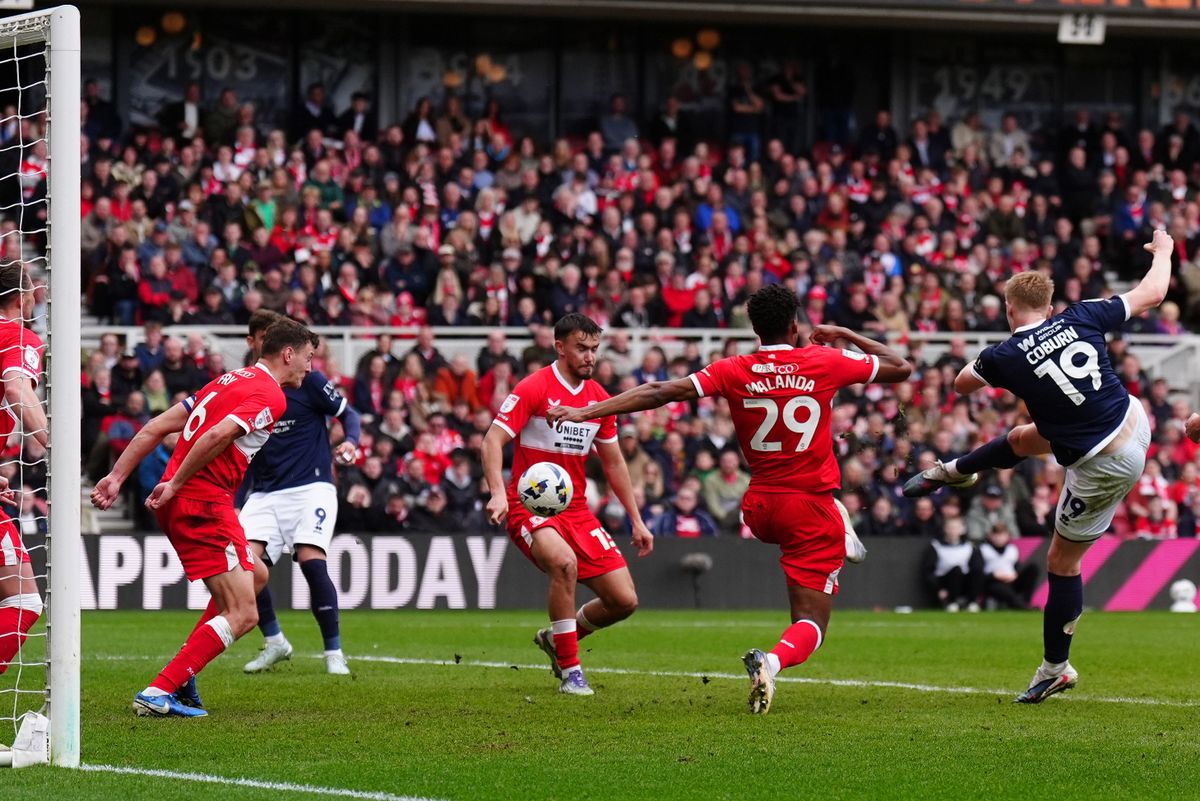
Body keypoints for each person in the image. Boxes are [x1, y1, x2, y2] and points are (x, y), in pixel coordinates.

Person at [548, 284, 911, 714]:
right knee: (811, 622)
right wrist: (846, 334)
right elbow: (900, 367)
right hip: (808, 508)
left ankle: (840, 523)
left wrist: (586, 411)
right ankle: (771, 662)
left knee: (823, 510)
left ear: (755, 330)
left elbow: (660, 391)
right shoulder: (824, 359)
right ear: (795, 326)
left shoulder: (734, 368)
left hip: (758, 507)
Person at [904, 230, 1171, 703]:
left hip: (1103, 463)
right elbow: (1153, 292)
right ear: (1049, 306)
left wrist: (994, 360)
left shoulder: (1002, 356)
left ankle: (1055, 668)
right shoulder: (1082, 314)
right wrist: (1164, 250)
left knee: (1061, 562)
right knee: (1025, 438)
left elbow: (962, 385)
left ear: (1009, 309)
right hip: (1132, 420)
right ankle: (955, 470)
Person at [90, 318, 318, 717]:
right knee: (244, 614)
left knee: (257, 574)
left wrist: (116, 476)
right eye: (308, 357)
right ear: (288, 354)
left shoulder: (227, 381)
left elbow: (156, 426)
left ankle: (183, 675)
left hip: (186, 499)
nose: (310, 367)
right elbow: (217, 436)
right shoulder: (271, 395)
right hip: (202, 501)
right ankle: (160, 691)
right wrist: (177, 482)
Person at [482, 313, 654, 697]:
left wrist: (637, 520)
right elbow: (492, 440)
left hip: (576, 510)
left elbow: (614, 463)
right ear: (560, 347)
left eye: (594, 349)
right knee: (564, 564)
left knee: (624, 600)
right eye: (582, 348)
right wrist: (497, 492)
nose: (590, 356)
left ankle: (556, 639)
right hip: (529, 506)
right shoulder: (534, 387)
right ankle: (571, 673)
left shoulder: (600, 399)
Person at [237, 311, 362, 676]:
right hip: (264, 492)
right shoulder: (247, 384)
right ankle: (275, 641)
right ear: (254, 341)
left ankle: (333, 652)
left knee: (310, 559)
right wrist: (237, 499)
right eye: (264, 335)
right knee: (245, 565)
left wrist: (351, 442)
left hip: (311, 486)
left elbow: (349, 414)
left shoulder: (308, 380)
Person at [0, 263, 47, 677]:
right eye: (33, 292)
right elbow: (16, 386)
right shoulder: (17, 336)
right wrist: (55, 444)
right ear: (21, 298)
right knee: (24, 601)